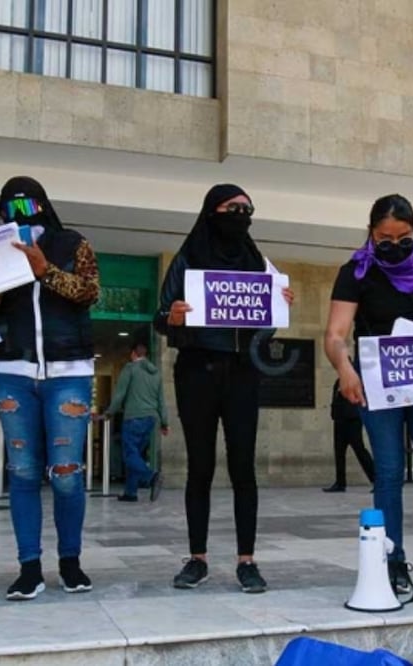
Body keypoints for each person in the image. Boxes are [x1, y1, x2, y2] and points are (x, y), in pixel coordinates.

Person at [324, 193, 413, 600]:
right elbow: (335, 334)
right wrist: (344, 369)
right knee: (388, 473)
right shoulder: (356, 270)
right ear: (371, 232)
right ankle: (392, 560)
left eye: (403, 237)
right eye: (385, 238)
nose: (395, 245)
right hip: (379, 381)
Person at [155, 184, 294, 594]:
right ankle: (197, 559)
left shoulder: (256, 260)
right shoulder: (188, 258)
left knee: (243, 467)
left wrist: (280, 302)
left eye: (248, 208)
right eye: (232, 207)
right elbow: (160, 317)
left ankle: (246, 560)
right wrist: (175, 316)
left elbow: (265, 324)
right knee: (200, 466)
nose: (241, 213)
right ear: (212, 210)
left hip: (241, 373)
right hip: (197, 371)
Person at [0, 176, 100, 601]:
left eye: (28, 206)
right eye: (11, 208)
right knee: (22, 473)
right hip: (14, 369)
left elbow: (89, 292)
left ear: (44, 205)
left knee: (66, 473)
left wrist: (45, 271)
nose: (20, 215)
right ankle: (29, 567)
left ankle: (70, 562)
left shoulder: (73, 243)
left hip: (68, 371)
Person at [101, 335, 169, 503]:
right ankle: (131, 493)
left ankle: (151, 476)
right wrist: (164, 422)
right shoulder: (156, 374)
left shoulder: (130, 369)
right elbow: (162, 400)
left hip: (134, 418)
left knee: (129, 455)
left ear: (133, 354)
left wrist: (109, 412)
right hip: (151, 419)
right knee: (136, 454)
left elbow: (120, 394)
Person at [322, 377, 375, 492]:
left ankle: (376, 480)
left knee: (360, 450)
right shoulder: (338, 381)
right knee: (339, 452)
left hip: (352, 420)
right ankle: (340, 483)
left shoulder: (355, 379)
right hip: (339, 419)